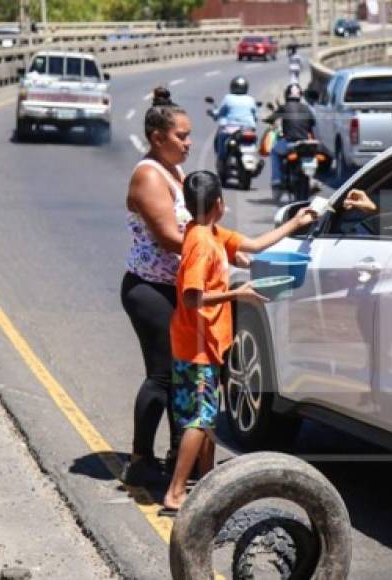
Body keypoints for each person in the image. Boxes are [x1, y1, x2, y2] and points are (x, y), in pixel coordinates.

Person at [160, 171, 317, 514]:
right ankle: (175, 493)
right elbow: (191, 297)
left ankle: (206, 484)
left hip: (206, 344)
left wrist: (298, 222)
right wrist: (239, 292)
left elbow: (256, 246)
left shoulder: (210, 233)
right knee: (200, 420)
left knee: (208, 419)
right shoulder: (201, 242)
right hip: (196, 346)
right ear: (219, 204)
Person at [120, 87, 250, 486]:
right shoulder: (148, 176)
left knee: (182, 376)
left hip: (178, 286)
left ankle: (183, 457)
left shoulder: (174, 171)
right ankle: (141, 460)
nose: (189, 143)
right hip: (150, 289)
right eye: (182, 136)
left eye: (190, 135)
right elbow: (170, 237)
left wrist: (233, 244)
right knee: (162, 375)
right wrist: (218, 252)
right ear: (158, 138)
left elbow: (198, 225)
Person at [269, 84, 316, 193]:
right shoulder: (306, 108)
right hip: (304, 143)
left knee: (274, 151)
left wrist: (268, 120)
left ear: (287, 95)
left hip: (289, 143)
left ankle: (277, 180)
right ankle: (312, 180)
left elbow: (271, 118)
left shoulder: (284, 107)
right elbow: (313, 123)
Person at [212, 76, 258, 159]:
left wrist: (214, 114)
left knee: (221, 139)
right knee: (253, 142)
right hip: (248, 129)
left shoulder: (228, 98)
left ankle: (221, 158)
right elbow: (255, 115)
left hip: (230, 129)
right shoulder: (250, 99)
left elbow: (219, 112)